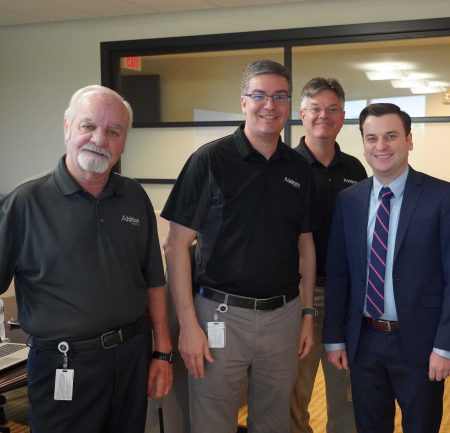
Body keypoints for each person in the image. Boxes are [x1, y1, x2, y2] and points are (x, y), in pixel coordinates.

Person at [0, 85, 173, 433]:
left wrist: (163, 353)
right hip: (62, 365)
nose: (99, 139)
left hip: (130, 358)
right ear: (67, 127)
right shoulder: (25, 203)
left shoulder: (134, 197)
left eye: (113, 131)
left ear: (124, 140)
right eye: (88, 126)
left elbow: (153, 280)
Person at [162, 59, 317, 433]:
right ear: (244, 101)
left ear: (289, 105)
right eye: (260, 95)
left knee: (274, 419)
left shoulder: (298, 168)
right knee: (213, 421)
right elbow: (176, 245)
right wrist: (188, 325)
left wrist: (307, 314)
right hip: (219, 314)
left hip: (283, 316)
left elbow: (305, 246)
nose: (270, 104)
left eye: (280, 96)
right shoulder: (209, 160)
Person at [323, 103, 450, 433]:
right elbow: (338, 274)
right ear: (362, 143)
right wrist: (334, 337)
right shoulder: (350, 200)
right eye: (372, 138)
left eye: (391, 136)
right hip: (364, 340)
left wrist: (446, 346)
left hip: (420, 342)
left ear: (408, 139)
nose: (381, 146)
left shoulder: (444, 197)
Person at [291, 77, 367, 433]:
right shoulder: (283, 166)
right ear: (302, 114)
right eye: (316, 108)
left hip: (345, 296)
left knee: (347, 390)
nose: (324, 115)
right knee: (294, 392)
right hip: (297, 297)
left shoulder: (355, 169)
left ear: (342, 116)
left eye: (332, 109)